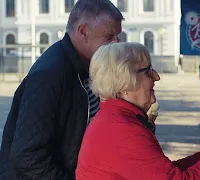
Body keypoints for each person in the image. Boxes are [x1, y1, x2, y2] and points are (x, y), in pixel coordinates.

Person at [76, 42, 200, 180]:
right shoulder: (122, 130)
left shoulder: (117, 119)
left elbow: (167, 171)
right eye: (148, 71)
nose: (157, 77)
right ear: (124, 83)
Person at [0, 0, 123, 179]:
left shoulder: (86, 66)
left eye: (118, 36)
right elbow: (27, 154)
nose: (116, 43)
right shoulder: (50, 74)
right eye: (109, 36)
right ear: (83, 31)